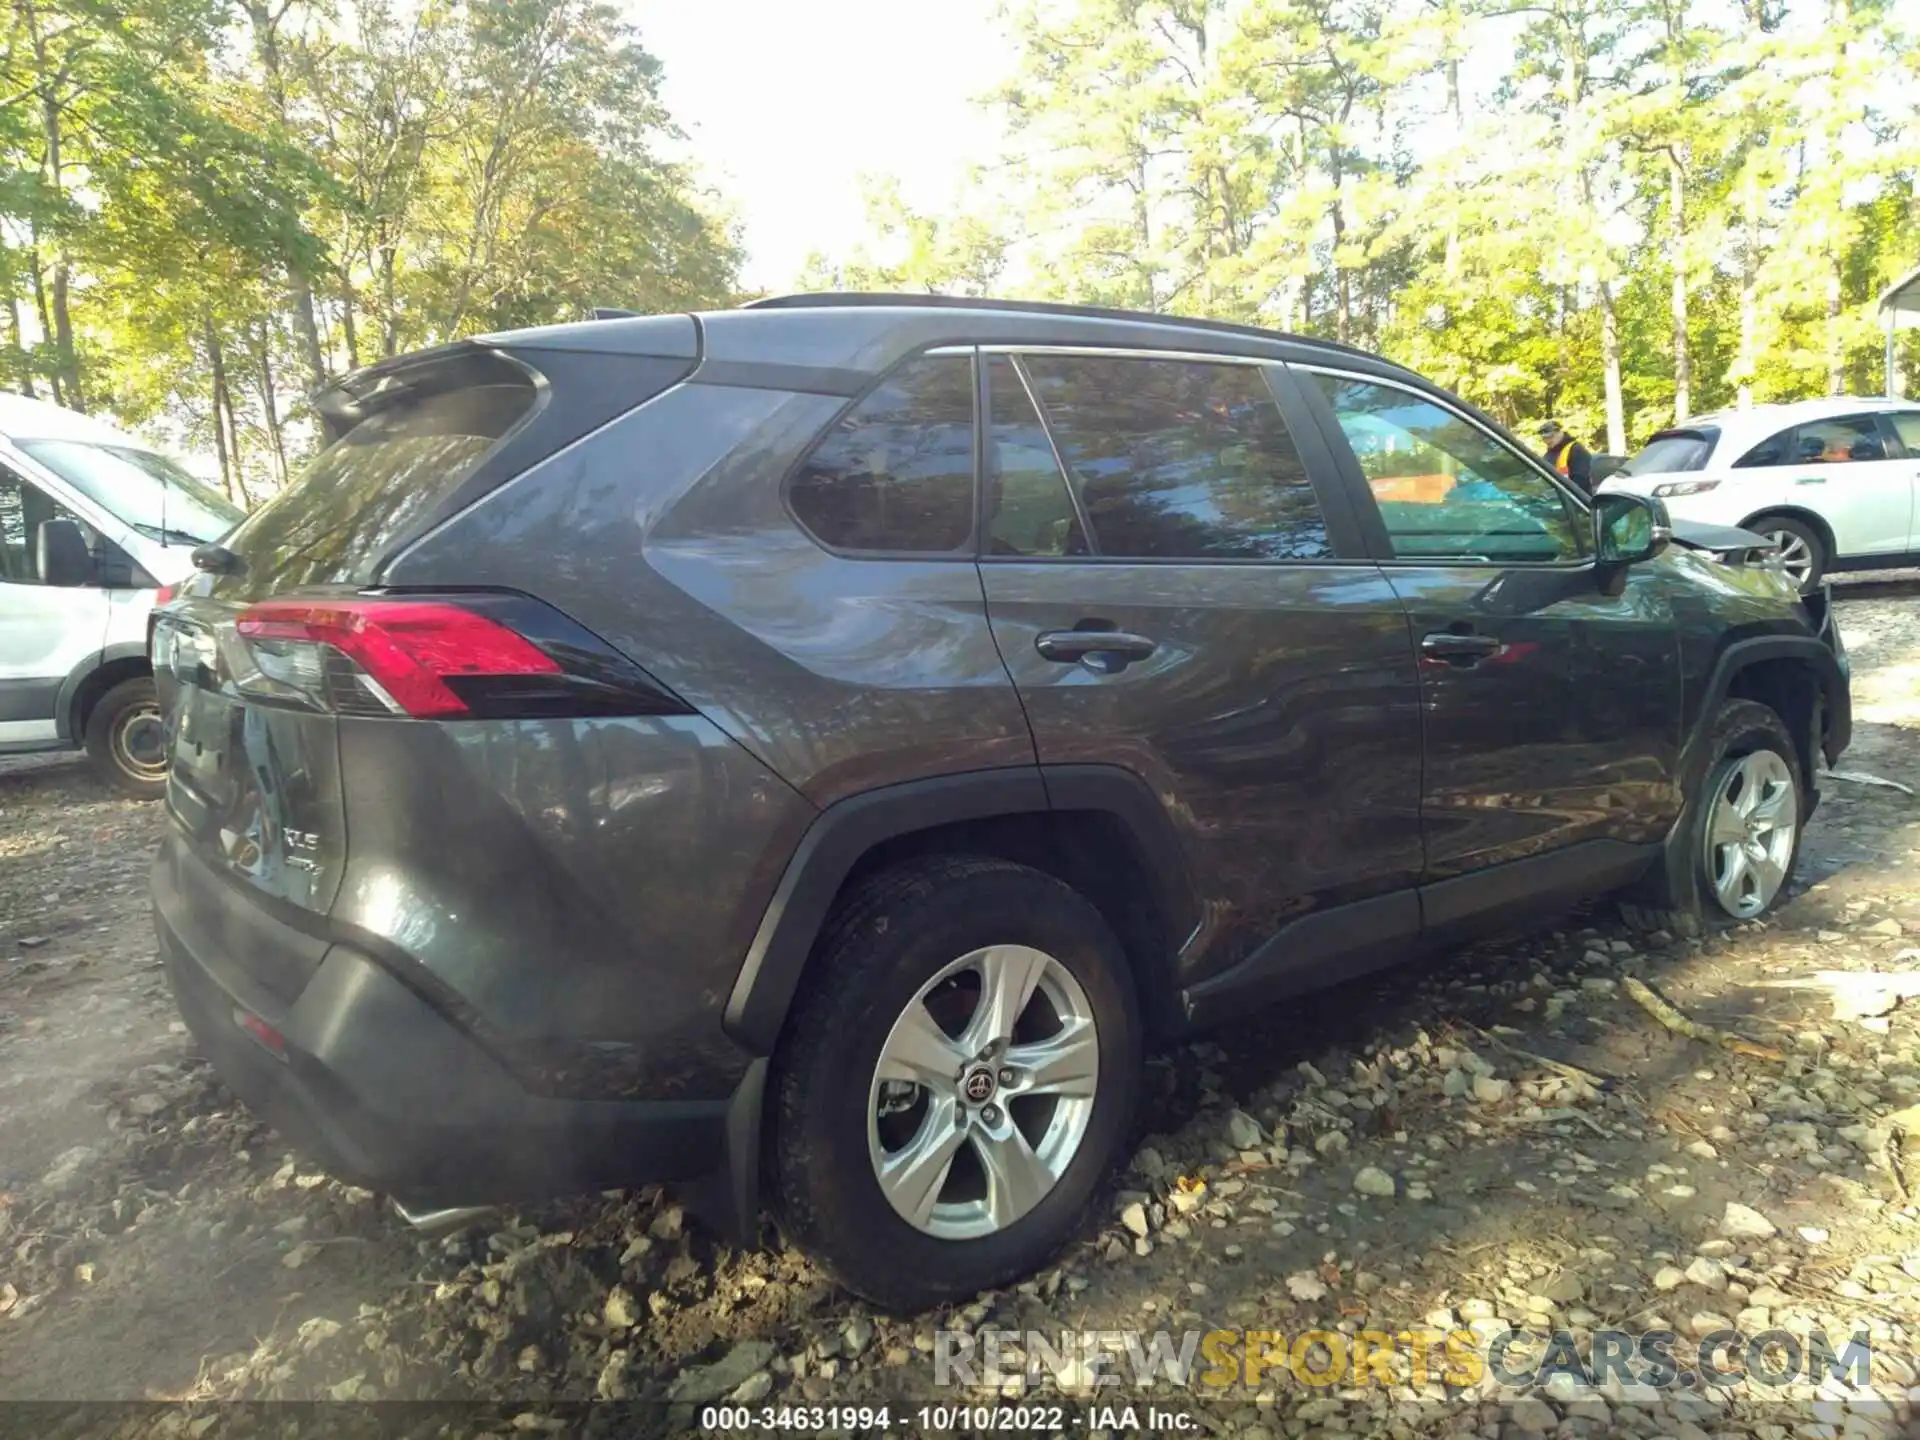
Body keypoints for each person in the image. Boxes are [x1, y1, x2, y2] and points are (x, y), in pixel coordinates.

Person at [1538, 420, 1593, 494]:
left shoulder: (1575, 450)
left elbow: (1582, 483)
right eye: (1544, 438)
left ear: (1560, 432)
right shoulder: (1549, 454)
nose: (1547, 441)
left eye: (1550, 436)